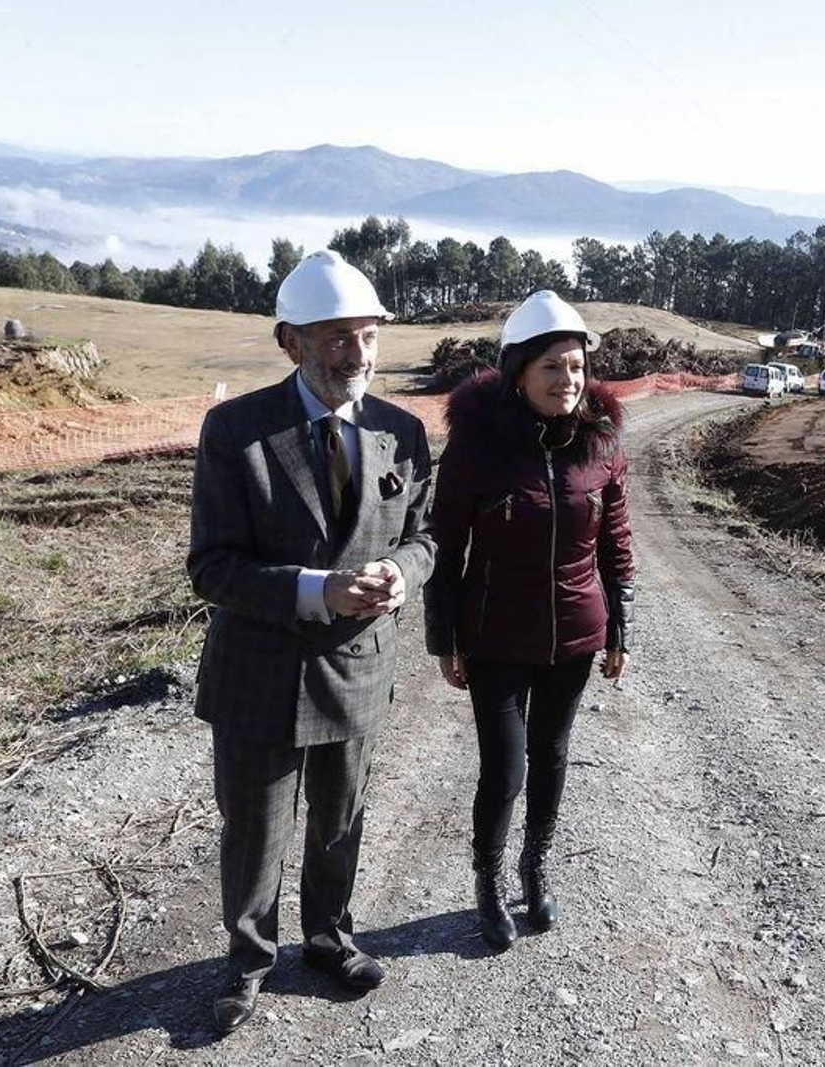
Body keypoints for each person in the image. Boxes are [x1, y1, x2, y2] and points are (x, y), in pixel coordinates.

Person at [187, 250, 434, 1033]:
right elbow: (212, 565)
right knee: (257, 831)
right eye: (336, 338)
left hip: (359, 670)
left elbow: (427, 537)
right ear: (290, 340)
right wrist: (312, 587)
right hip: (260, 675)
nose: (356, 356)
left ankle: (328, 938)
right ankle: (247, 960)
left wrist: (401, 572)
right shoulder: (237, 431)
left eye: (367, 337)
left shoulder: (402, 432)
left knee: (339, 821)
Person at [424, 290, 635, 951]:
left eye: (575, 366)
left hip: (575, 632)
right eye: (551, 366)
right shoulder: (477, 448)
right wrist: (444, 636)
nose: (567, 379)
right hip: (495, 634)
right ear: (518, 370)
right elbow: (445, 541)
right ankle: (487, 881)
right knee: (506, 768)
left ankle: (534, 865)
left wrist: (620, 624)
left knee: (553, 755)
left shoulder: (600, 444)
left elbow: (616, 537)